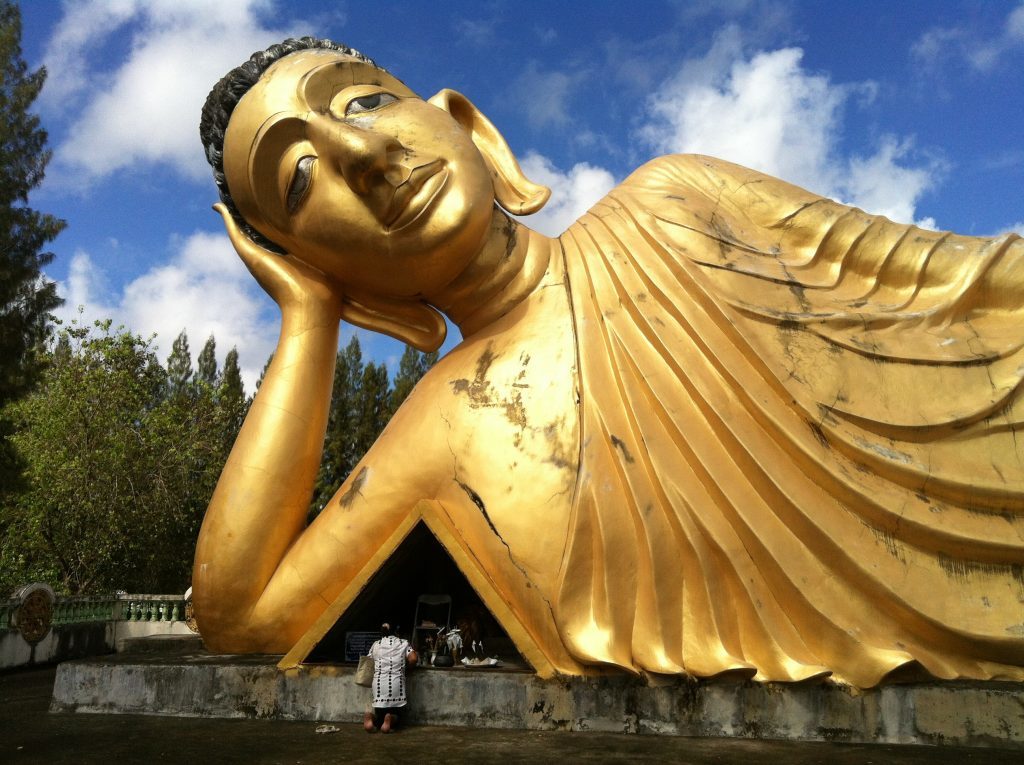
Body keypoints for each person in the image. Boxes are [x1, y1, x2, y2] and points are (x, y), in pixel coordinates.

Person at [192, 37, 1024, 687]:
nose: (363, 155)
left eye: (366, 100)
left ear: (469, 124)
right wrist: (308, 323)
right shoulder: (439, 425)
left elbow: (955, 285)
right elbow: (241, 616)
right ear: (341, 282)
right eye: (299, 181)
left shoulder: (679, 197)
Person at [364, 623, 417, 733]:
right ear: (396, 632)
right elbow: (413, 659)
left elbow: (368, 662)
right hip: (396, 683)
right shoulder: (403, 643)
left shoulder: (376, 644)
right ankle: (390, 719)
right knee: (397, 714)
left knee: (380, 714)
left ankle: (371, 718)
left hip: (378, 684)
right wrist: (407, 669)